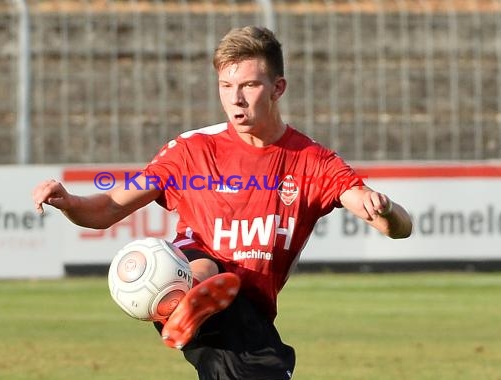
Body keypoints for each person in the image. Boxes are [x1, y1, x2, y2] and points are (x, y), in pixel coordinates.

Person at [33, 26, 413, 380]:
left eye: (249, 85)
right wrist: (69, 202)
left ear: (277, 88)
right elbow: (109, 209)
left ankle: (197, 300)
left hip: (251, 317)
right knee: (203, 262)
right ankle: (191, 299)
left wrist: (383, 209)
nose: (236, 98)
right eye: (226, 85)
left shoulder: (312, 162)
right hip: (186, 288)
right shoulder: (191, 151)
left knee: (257, 354)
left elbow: (396, 226)